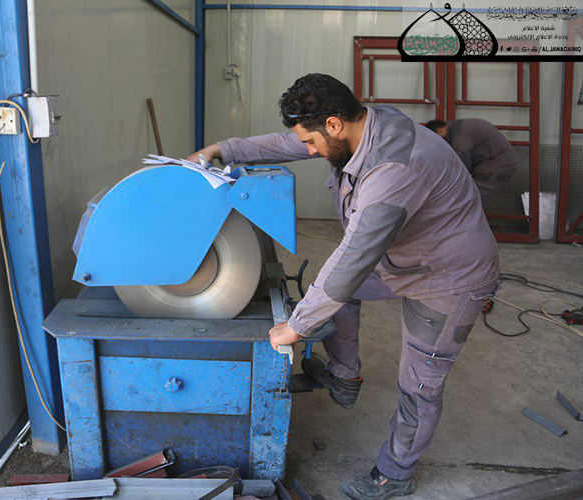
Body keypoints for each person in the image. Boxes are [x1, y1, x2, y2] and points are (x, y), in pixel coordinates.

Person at [187, 73, 499, 500]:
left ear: (334, 124)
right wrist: (223, 150)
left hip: (448, 277)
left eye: (311, 142)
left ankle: (396, 474)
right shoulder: (362, 124)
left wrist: (297, 326)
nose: (308, 150)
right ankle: (344, 376)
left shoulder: (393, 168)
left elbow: (355, 257)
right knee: (336, 294)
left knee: (419, 385)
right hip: (404, 260)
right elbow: (286, 144)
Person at [425, 118, 518, 209]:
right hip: (495, 162)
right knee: (472, 199)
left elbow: (464, 166)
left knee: (474, 202)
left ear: (440, 131)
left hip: (497, 165)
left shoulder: (459, 137)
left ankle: (472, 218)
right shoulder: (458, 127)